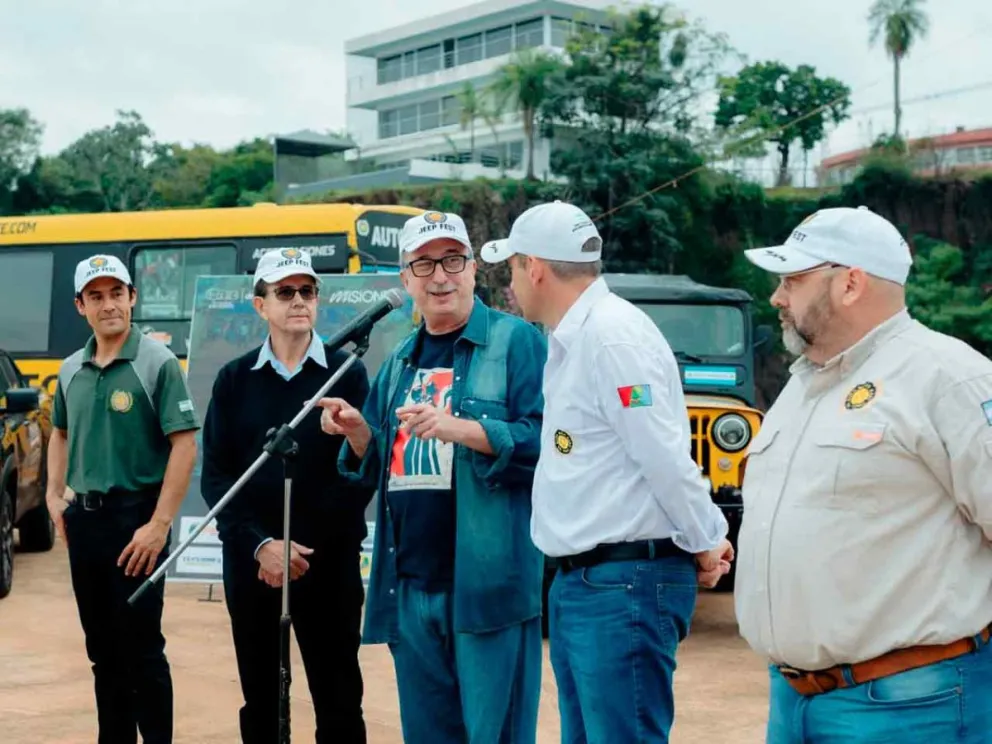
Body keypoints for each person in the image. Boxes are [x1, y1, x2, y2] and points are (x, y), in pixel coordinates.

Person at [480, 200, 734, 743]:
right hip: (589, 583)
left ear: (536, 268)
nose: (511, 284)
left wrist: (707, 538)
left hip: (623, 585)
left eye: (512, 268)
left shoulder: (612, 338)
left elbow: (664, 456)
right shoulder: (577, 339)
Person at [735, 205, 992, 743]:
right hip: (793, 704)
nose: (777, 298)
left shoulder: (950, 379)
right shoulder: (803, 384)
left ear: (850, 283)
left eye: (793, 280)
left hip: (913, 708)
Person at [319, 210, 547, 743]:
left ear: (472, 270)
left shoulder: (518, 343)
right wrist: (358, 434)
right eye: (424, 264)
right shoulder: (400, 360)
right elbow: (376, 467)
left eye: (451, 260)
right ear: (405, 280)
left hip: (488, 588)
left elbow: (551, 446)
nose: (439, 276)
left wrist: (462, 428)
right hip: (411, 587)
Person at [199, 248, 374, 744]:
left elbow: (360, 476)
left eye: (308, 291)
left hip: (327, 561)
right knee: (261, 699)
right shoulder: (234, 380)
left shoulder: (348, 373)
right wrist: (262, 545)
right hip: (254, 563)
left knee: (339, 697)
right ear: (260, 305)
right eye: (285, 292)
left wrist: (298, 548)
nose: (299, 301)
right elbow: (217, 479)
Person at [45, 254, 200, 744]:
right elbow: (60, 433)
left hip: (138, 520)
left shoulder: (157, 363)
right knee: (102, 651)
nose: (108, 305)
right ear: (80, 306)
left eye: (117, 293)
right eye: (96, 296)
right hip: (85, 520)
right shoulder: (71, 369)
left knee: (142, 649)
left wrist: (159, 524)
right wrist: (53, 496)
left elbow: (184, 444)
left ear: (133, 297)